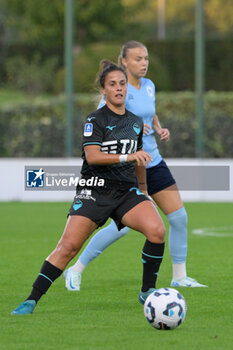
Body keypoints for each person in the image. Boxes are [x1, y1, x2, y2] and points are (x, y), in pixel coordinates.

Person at [11, 61, 166, 315]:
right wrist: (128, 158)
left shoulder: (136, 122)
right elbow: (93, 156)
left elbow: (139, 158)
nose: (119, 89)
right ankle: (31, 299)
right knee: (68, 247)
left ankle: (147, 291)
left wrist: (144, 192)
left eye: (122, 84)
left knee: (157, 230)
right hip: (94, 190)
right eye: (112, 85)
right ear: (103, 90)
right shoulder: (95, 120)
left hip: (127, 192)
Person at [64, 41, 207, 291]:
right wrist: (130, 131)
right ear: (125, 62)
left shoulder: (149, 85)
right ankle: (75, 270)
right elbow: (103, 124)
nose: (144, 63)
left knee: (179, 217)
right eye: (138, 59)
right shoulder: (116, 90)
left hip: (153, 162)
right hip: (127, 168)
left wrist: (159, 127)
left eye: (146, 58)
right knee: (119, 229)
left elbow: (149, 112)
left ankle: (179, 276)